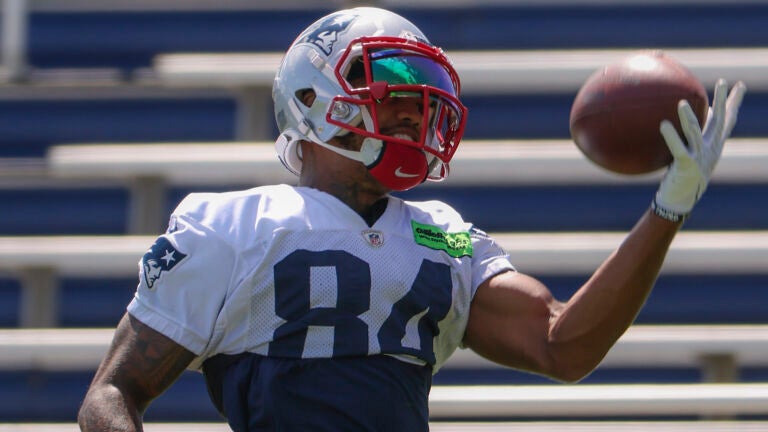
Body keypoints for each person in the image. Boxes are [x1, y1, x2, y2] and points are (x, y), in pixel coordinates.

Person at [78, 6, 747, 432]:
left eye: (424, 103)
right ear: (314, 100)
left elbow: (561, 344)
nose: (414, 115)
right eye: (393, 93)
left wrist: (670, 208)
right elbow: (113, 396)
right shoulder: (232, 223)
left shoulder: (444, 234)